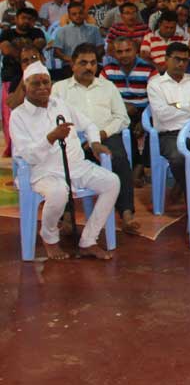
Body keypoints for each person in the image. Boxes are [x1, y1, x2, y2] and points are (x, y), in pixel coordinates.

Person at [11, 62, 120, 260]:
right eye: (36, 83)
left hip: (77, 166)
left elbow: (88, 124)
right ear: (25, 86)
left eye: (46, 82)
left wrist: (95, 143)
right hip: (43, 172)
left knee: (112, 182)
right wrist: (50, 138)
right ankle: (50, 237)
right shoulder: (18, 116)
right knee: (58, 192)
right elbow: (27, 156)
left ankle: (89, 240)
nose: (42, 87)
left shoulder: (60, 104)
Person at [51, 44, 138, 233]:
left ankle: (126, 214)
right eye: (83, 63)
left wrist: (101, 134)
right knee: (61, 162)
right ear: (73, 65)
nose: (89, 67)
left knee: (119, 158)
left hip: (104, 135)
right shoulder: (59, 89)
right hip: (73, 139)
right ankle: (67, 216)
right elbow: (52, 119)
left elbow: (122, 118)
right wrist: (76, 138)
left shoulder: (107, 87)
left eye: (92, 63)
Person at [146, 42, 190, 204]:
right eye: (177, 59)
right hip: (169, 134)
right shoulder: (155, 84)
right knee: (178, 158)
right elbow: (163, 115)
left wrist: (177, 105)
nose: (181, 63)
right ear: (166, 59)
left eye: (185, 60)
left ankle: (184, 187)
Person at [101, 36, 157, 187]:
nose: (124, 55)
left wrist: (144, 119)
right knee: (123, 127)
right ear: (114, 53)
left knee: (154, 129)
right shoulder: (107, 70)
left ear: (135, 51)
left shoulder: (149, 69)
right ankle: (136, 168)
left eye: (128, 50)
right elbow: (102, 97)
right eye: (119, 52)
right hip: (119, 110)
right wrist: (122, 106)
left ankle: (141, 165)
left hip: (146, 110)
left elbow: (157, 98)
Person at [53, 2, 104, 66]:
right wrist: (71, 59)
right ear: (69, 16)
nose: (78, 16)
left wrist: (91, 59)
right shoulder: (62, 31)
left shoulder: (94, 29)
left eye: (80, 13)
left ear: (84, 14)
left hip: (91, 64)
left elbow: (100, 48)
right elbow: (57, 52)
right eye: (74, 14)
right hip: (71, 64)